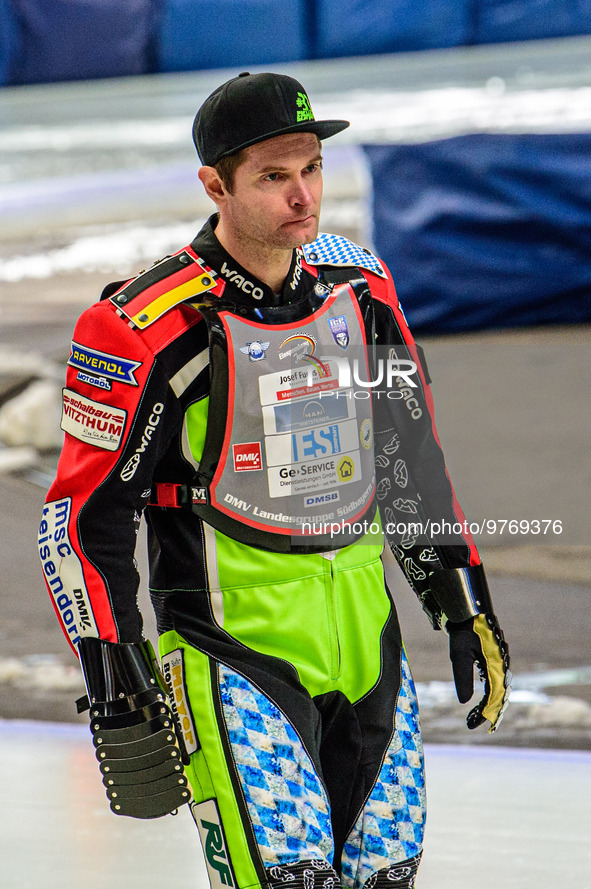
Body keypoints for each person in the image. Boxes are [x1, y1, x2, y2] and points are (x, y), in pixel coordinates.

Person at [38, 72, 510, 889]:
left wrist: (462, 605)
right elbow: (82, 518)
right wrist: (114, 670)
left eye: (312, 168)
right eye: (273, 176)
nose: (302, 196)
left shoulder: (360, 290)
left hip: (370, 647)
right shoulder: (141, 326)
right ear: (214, 185)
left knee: (383, 880)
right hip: (234, 655)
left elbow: (410, 458)